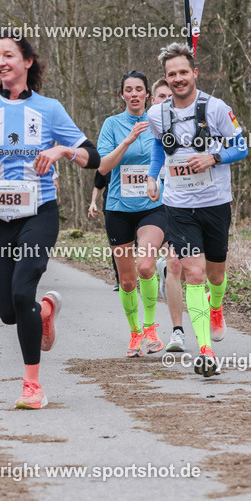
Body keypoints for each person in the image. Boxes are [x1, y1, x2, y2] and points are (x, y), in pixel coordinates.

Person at [0, 32, 100, 409]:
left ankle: (32, 386)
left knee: (23, 292)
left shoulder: (50, 109)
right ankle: (47, 310)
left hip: (39, 213)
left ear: (27, 61)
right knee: (6, 309)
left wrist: (60, 149)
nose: (1, 62)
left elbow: (93, 156)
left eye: (8, 55)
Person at [145, 43, 248, 377]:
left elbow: (242, 147)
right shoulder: (156, 115)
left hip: (215, 202)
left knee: (215, 274)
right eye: (172, 74)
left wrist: (213, 157)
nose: (178, 79)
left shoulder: (216, 108)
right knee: (194, 273)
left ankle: (216, 306)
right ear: (166, 78)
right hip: (178, 205)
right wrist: (152, 177)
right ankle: (205, 350)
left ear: (194, 74)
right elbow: (162, 151)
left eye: (183, 72)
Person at [96, 71, 169, 358]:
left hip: (153, 206)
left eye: (139, 89)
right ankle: (135, 332)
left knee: (146, 266)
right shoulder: (111, 124)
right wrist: (126, 141)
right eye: (129, 90)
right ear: (122, 95)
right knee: (127, 281)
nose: (134, 94)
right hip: (118, 209)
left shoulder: (159, 124)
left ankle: (150, 327)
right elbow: (102, 167)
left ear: (148, 95)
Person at [151, 78, 186, 352]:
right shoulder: (154, 123)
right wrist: (152, 178)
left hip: (194, 197)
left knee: (193, 265)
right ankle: (177, 330)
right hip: (162, 196)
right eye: (160, 95)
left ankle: (166, 270)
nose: (166, 99)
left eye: (168, 95)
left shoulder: (189, 118)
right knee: (175, 260)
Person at [87, 171, 120, 291]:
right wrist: (93, 203)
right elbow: (98, 186)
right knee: (117, 246)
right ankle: (120, 280)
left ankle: (145, 275)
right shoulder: (107, 161)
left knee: (139, 245)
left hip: (139, 208)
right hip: (112, 209)